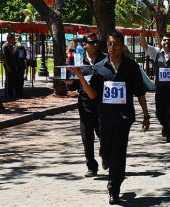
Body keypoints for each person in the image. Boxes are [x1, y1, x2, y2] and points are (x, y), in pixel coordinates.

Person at [72, 30, 150, 205]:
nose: (112, 47)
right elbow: (92, 95)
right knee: (107, 151)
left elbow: (140, 93)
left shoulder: (131, 67)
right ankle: (105, 156)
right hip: (105, 118)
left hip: (124, 117)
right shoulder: (100, 68)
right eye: (109, 44)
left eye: (115, 44)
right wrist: (81, 79)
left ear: (122, 47)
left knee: (119, 153)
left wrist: (146, 115)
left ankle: (113, 188)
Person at [64, 33, 106, 177]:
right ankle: (91, 166)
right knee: (87, 136)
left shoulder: (105, 59)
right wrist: (69, 82)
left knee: (104, 134)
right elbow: (74, 84)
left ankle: (105, 154)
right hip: (85, 103)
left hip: (102, 103)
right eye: (91, 42)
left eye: (96, 42)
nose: (95, 44)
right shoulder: (79, 62)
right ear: (85, 45)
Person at [140, 29, 170, 142]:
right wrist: (142, 36)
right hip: (161, 89)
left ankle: (169, 132)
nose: (166, 42)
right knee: (159, 113)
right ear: (161, 42)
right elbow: (145, 46)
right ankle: (165, 126)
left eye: (168, 40)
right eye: (164, 40)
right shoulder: (156, 52)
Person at [2, 33, 18, 98]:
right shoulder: (5, 46)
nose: (14, 39)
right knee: (8, 79)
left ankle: (11, 93)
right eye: (13, 38)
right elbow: (4, 57)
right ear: (9, 38)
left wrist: (15, 65)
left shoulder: (10, 45)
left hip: (12, 64)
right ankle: (7, 94)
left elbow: (13, 54)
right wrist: (7, 66)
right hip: (8, 65)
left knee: (12, 79)